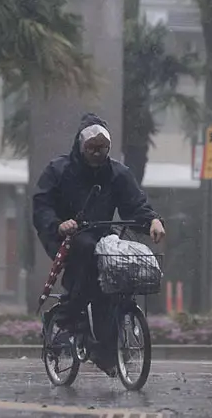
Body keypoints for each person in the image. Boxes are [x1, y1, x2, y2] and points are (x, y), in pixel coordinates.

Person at [32, 112, 166, 377]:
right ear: (80, 147)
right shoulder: (58, 170)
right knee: (84, 252)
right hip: (65, 236)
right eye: (91, 148)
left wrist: (152, 221)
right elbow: (42, 205)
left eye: (102, 148)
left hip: (102, 237)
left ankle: (104, 346)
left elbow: (135, 203)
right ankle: (68, 316)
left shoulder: (118, 173)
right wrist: (59, 224)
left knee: (114, 277)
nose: (96, 153)